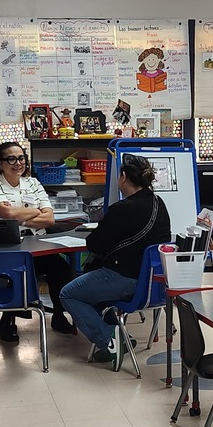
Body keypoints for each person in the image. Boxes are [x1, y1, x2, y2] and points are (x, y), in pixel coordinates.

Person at [60, 155, 171, 371]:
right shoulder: (158, 203)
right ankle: (121, 337)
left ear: (123, 177)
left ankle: (111, 340)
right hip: (151, 283)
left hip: (123, 279)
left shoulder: (122, 209)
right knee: (91, 293)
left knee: (69, 294)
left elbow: (95, 244)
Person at [0, 142, 75, 342]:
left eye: (21, 158)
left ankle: (59, 315)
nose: (18, 163)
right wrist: (35, 211)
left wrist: (17, 217)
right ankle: (7, 321)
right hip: (4, 248)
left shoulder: (33, 183)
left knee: (62, 269)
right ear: (0, 163)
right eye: (11, 159)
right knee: (19, 271)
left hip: (36, 244)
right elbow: (8, 213)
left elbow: (49, 219)